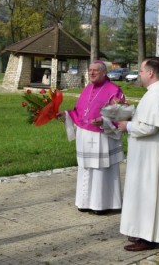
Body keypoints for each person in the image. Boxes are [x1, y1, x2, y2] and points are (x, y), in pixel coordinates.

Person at [117, 57, 159, 251]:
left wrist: (127, 125)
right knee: (148, 193)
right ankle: (146, 233)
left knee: (149, 193)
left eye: (142, 71)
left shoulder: (156, 94)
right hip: (151, 152)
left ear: (150, 73)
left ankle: (149, 237)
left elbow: (150, 127)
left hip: (152, 156)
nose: (140, 74)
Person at [57, 60, 125, 215]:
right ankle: (85, 202)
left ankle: (102, 204)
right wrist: (66, 114)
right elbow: (79, 111)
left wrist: (105, 121)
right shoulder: (87, 89)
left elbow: (121, 115)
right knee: (85, 169)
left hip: (102, 137)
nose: (92, 73)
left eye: (95, 70)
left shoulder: (114, 90)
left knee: (101, 170)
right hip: (85, 136)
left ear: (104, 72)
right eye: (90, 70)